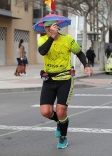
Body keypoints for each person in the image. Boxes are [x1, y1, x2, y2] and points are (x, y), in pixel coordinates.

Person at [37, 20, 94, 149]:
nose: (47, 29)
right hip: (49, 80)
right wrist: (51, 37)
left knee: (61, 111)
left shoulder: (67, 39)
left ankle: (63, 137)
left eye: (50, 26)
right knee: (46, 112)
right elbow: (42, 51)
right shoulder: (43, 40)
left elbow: (79, 52)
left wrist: (86, 66)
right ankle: (59, 122)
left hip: (65, 79)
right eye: (45, 27)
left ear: (57, 27)